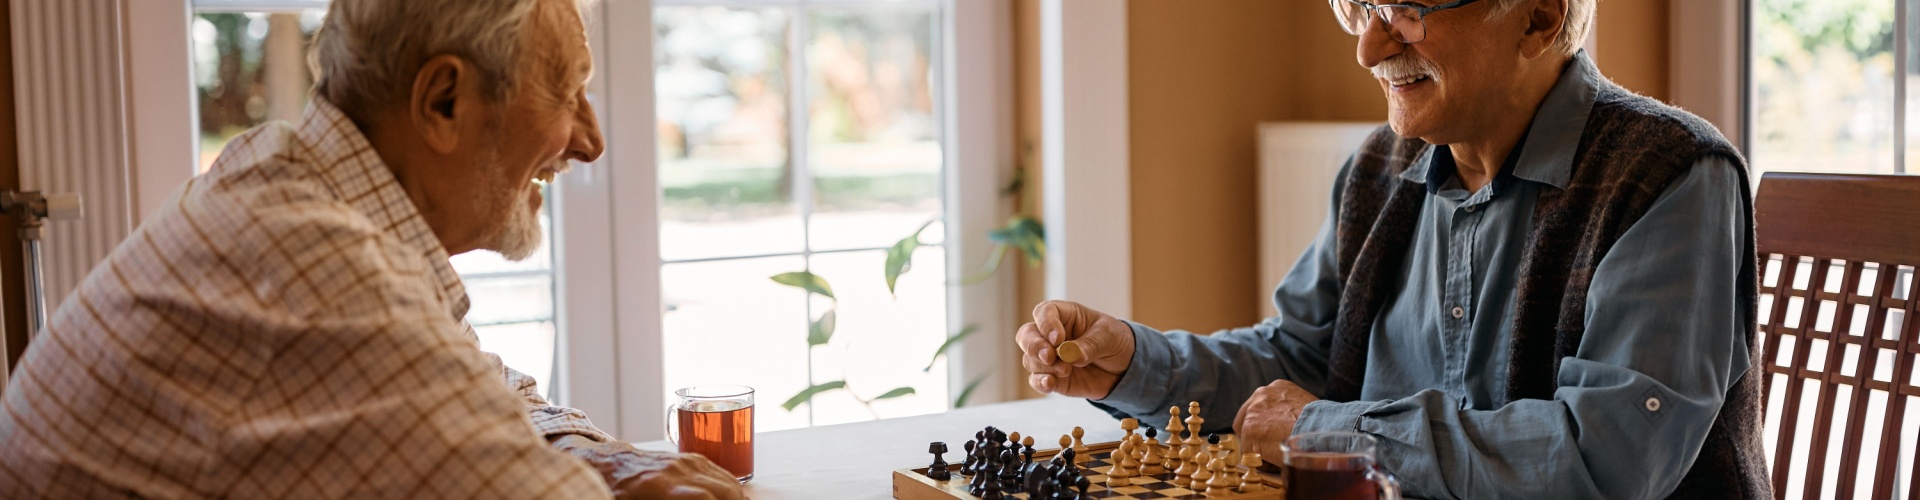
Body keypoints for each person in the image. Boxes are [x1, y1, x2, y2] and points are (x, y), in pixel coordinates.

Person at [1017, 0, 1768, 498]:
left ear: (1539, 16)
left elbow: (1608, 457)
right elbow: (1302, 360)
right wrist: (1134, 364)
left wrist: (1328, 429)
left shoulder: (1670, 176)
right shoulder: (1378, 168)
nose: (1370, 47)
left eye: (1408, 8)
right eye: (1360, 6)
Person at [0, 0, 744, 498]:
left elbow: (473, 382)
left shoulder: (288, 174)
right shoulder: (323, 271)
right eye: (566, 92)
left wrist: (592, 453)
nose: (589, 139)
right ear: (444, 102)